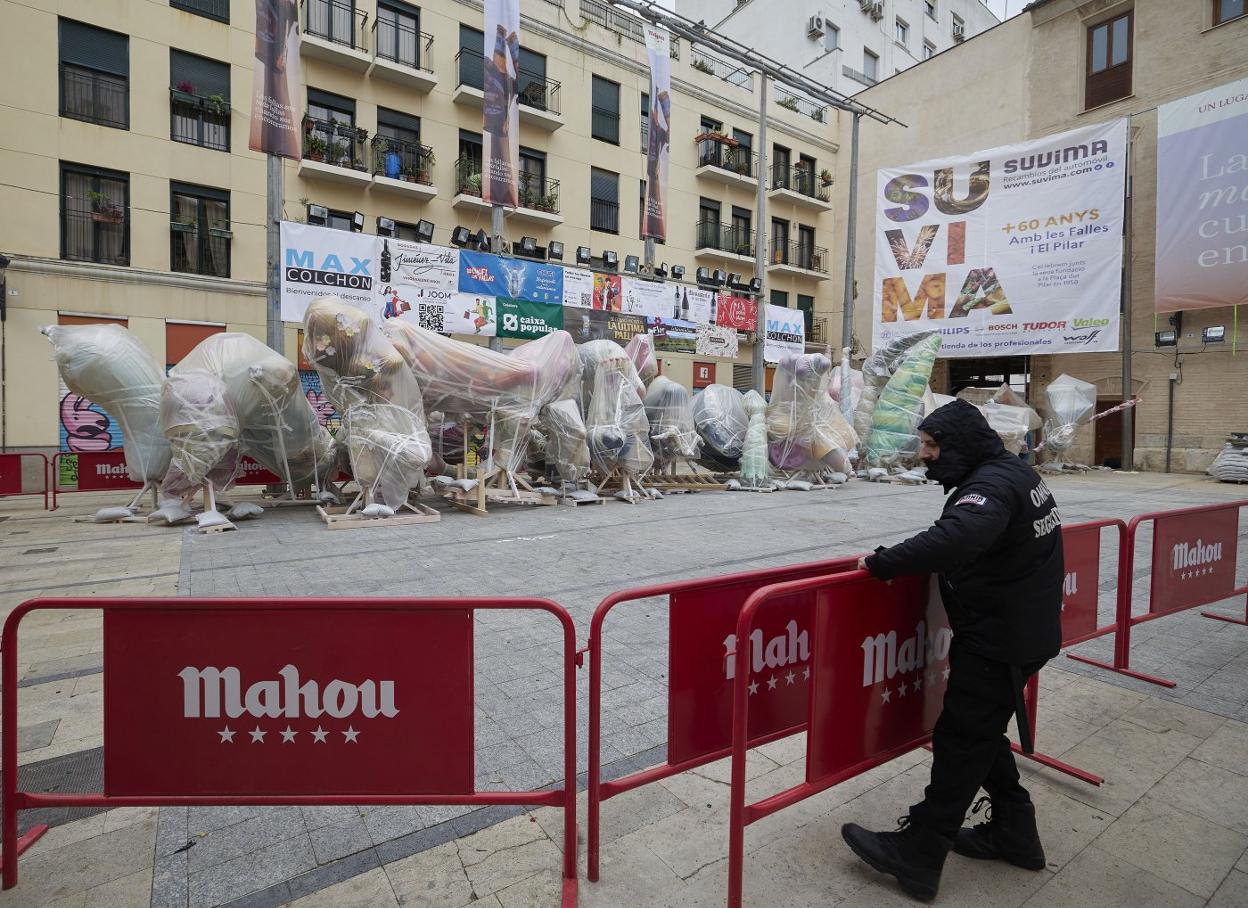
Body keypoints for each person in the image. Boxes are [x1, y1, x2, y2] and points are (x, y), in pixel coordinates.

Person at [842, 398, 1063, 902]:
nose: (924, 456)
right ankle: (1014, 830)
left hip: (1000, 638)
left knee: (962, 738)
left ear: (959, 446)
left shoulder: (990, 487)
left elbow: (957, 537)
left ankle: (920, 851)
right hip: (1020, 631)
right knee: (979, 733)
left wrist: (883, 563)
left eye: (932, 446)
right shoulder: (1014, 473)